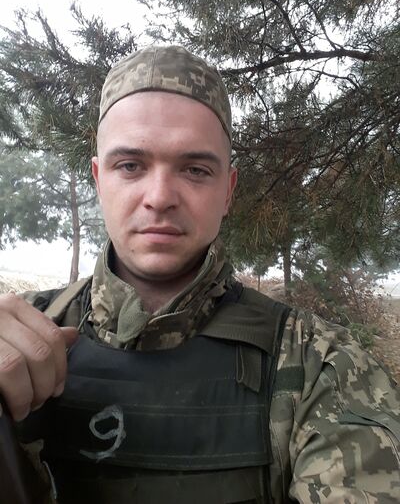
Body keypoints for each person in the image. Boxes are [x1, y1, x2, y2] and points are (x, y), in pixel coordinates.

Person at [0, 45, 399, 504]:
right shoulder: (18, 337)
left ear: (228, 190)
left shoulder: (320, 368)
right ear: (98, 180)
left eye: (194, 169)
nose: (159, 197)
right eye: (130, 166)